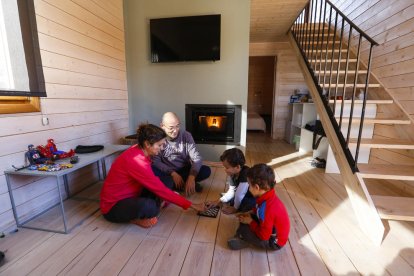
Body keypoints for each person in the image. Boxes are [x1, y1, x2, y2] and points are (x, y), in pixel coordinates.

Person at [100, 123, 205, 228]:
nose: (162, 148)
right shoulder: (136, 161)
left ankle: (161, 201)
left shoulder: (139, 149)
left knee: (168, 181)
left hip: (133, 194)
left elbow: (155, 183)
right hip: (113, 207)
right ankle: (136, 218)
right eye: (159, 145)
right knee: (150, 208)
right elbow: (159, 189)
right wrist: (193, 206)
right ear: (147, 144)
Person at [227, 164, 290, 251]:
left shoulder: (268, 209)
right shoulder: (266, 195)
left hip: (273, 241)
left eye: (249, 185)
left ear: (256, 187)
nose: (248, 188)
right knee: (248, 206)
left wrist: (250, 222)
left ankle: (243, 239)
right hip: (268, 226)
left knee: (244, 229)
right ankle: (242, 234)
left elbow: (264, 236)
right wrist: (250, 213)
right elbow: (258, 207)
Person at [152, 112, 211, 196]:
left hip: (184, 170)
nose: (175, 130)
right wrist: (172, 173)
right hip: (167, 172)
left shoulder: (186, 135)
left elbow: (197, 158)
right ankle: (181, 185)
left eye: (177, 126)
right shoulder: (158, 138)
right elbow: (156, 161)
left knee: (206, 171)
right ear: (162, 126)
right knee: (154, 171)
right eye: (171, 127)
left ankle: (180, 185)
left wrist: (191, 177)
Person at [206, 148, 255, 214]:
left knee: (246, 203)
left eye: (227, 168)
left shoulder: (245, 174)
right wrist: (218, 201)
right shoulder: (233, 174)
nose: (225, 170)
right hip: (244, 194)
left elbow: (239, 195)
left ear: (237, 167)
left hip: (254, 197)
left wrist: (234, 209)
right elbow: (232, 190)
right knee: (232, 199)